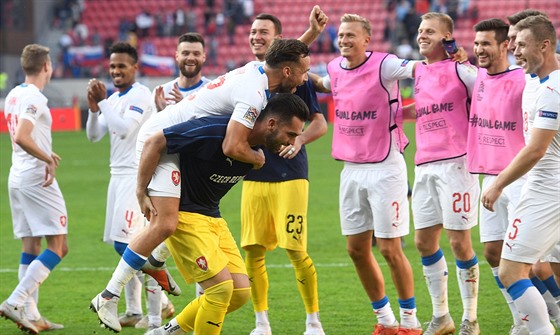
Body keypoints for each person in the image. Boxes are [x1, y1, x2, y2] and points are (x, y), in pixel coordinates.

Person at [90, 37, 313, 333]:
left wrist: (310, 33)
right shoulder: (254, 94)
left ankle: (158, 263)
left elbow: (284, 54)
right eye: (303, 71)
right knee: (167, 223)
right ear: (286, 71)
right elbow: (234, 145)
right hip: (162, 140)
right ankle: (108, 295)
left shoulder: (258, 71)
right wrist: (257, 158)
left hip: (179, 143)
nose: (305, 78)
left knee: (232, 287)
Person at [141, 93, 310, 335]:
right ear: (271, 124)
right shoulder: (215, 131)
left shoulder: (259, 149)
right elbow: (154, 142)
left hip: (212, 217)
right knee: (220, 289)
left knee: (240, 292)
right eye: (291, 135)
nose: (292, 141)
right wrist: (141, 191)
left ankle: (164, 332)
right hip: (185, 215)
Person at [310, 13, 422, 334]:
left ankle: (410, 323)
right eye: (341, 35)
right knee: (356, 250)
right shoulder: (334, 67)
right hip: (351, 169)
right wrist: (306, 77)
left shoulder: (385, 65)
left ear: (366, 39)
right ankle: (386, 321)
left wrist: (442, 63)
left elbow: (418, 68)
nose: (344, 40)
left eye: (351, 36)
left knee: (389, 249)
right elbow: (327, 84)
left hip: (385, 167)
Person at [241, 12, 328, 335]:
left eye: (263, 32)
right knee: (252, 250)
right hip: (253, 174)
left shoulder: (298, 81)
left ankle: (313, 321)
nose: (256, 37)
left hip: (291, 174)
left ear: (276, 40)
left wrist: (301, 139)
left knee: (296, 249)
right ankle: (261, 323)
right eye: (252, 32)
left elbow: (319, 121)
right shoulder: (247, 77)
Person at [86, 42, 174, 332]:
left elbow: (124, 128)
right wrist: (94, 110)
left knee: (129, 244)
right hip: (116, 177)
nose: (116, 71)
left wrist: (104, 104)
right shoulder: (114, 97)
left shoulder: (140, 95)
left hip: (133, 176)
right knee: (118, 244)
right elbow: (93, 136)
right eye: (112, 66)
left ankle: (156, 294)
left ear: (135, 68)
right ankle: (135, 309)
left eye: (122, 66)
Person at [481, 15, 560, 335]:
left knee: (512, 270)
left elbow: (535, 150)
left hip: (546, 188)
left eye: (522, 45)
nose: (515, 50)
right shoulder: (537, 81)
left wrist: (498, 184)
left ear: (545, 45)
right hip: (545, 186)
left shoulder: (552, 90)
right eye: (512, 44)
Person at [404, 12, 481, 335]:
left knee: (459, 243)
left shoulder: (462, 72)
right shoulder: (418, 71)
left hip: (457, 164)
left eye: (431, 32)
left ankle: (471, 318)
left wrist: (465, 58)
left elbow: (487, 85)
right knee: (423, 241)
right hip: (424, 164)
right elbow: (420, 107)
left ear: (447, 37)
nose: (422, 35)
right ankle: (442, 316)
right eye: (421, 31)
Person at [137, 32, 212, 331]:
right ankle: (154, 319)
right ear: (176, 56)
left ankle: (196, 322)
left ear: (204, 57)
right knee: (154, 244)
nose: (190, 58)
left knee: (201, 255)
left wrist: (189, 112)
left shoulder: (211, 90)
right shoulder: (162, 91)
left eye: (196, 53)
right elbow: (152, 139)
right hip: (165, 182)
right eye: (185, 53)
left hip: (198, 185)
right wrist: (161, 113)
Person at [0, 44, 68, 334]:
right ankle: (15, 301)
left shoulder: (12, 94)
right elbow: (23, 135)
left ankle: (32, 314)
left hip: (16, 176)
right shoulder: (35, 98)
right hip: (34, 179)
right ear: (46, 67)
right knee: (59, 246)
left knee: (31, 245)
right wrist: (47, 158)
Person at [466, 18, 527, 335]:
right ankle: (522, 320)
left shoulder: (523, 80)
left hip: (519, 179)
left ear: (507, 45)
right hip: (488, 177)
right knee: (492, 252)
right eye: (476, 44)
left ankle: (544, 318)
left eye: (486, 43)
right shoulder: (477, 78)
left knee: (531, 260)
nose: (479, 50)